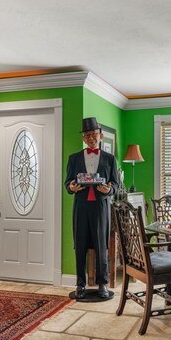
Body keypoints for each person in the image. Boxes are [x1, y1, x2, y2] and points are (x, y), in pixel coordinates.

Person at [65, 117, 119, 299]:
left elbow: (116, 185)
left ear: (100, 135)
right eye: (87, 135)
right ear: (83, 138)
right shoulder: (73, 158)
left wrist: (109, 189)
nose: (91, 138)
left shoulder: (110, 159)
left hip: (100, 207)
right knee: (79, 246)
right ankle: (80, 284)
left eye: (94, 134)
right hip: (80, 207)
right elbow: (67, 183)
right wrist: (71, 187)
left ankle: (102, 284)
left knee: (101, 246)